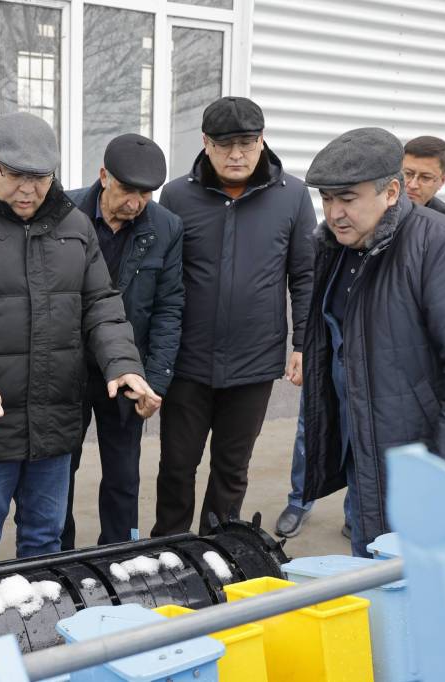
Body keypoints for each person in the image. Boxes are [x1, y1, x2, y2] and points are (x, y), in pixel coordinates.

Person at [0, 112, 156, 570]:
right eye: (16, 175)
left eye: (40, 178)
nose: (28, 189)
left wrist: (123, 364)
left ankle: (41, 615)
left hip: (54, 422)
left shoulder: (75, 227)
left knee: (45, 542)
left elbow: (101, 304)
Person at [301, 127, 445, 557]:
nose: (334, 213)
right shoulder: (333, 249)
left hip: (422, 461)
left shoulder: (444, 246)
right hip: (364, 453)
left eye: (347, 198)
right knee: (373, 567)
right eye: (326, 199)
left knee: (420, 578)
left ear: (390, 192)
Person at [152, 96, 315, 537]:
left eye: (247, 143)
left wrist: (303, 343)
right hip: (188, 360)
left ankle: (218, 548)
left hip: (253, 362)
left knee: (232, 466)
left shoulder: (293, 196)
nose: (237, 154)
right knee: (177, 465)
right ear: (206, 143)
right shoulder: (177, 195)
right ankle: (168, 546)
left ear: (262, 140)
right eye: (225, 145)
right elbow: (164, 277)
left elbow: (304, 275)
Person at [62, 134, 184, 549]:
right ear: (103, 176)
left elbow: (169, 308)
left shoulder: (166, 227)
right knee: (59, 472)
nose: (135, 203)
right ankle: (57, 557)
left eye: (145, 194)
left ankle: (119, 556)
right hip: (69, 369)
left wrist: (156, 383)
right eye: (127, 190)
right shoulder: (64, 213)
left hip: (129, 371)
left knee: (123, 475)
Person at [403, 135, 445, 226]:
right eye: (408, 173)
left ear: (442, 181)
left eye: (425, 177)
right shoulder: (381, 206)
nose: (413, 185)